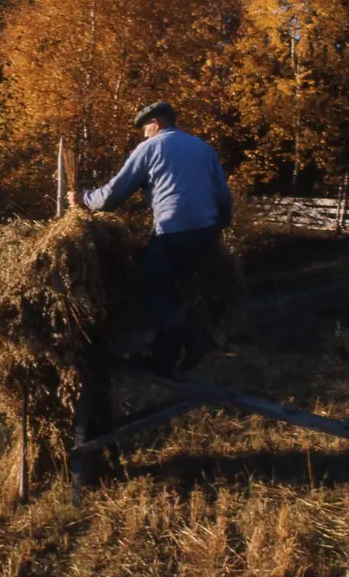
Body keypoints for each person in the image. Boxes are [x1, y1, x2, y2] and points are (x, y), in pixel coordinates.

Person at [69, 101, 233, 376]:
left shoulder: (150, 148)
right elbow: (224, 195)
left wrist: (83, 198)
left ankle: (194, 336)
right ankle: (163, 362)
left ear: (155, 123)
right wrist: (221, 224)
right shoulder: (203, 148)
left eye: (144, 128)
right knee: (170, 292)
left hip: (174, 231)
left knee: (147, 287)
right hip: (205, 232)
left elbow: (111, 197)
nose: (144, 134)